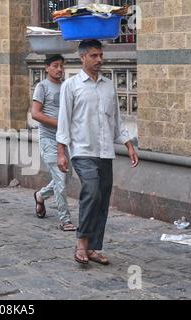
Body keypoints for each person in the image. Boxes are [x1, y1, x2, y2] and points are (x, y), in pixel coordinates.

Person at [56, 40, 139, 265]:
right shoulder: (71, 86)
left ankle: (93, 247)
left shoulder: (108, 85)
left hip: (105, 151)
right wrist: (61, 151)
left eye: (100, 55)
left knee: (101, 199)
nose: (99, 60)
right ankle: (81, 242)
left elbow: (116, 119)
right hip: (82, 150)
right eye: (94, 55)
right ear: (82, 57)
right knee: (91, 192)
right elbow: (64, 120)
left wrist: (128, 143)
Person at [31, 54, 75, 232]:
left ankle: (40, 195)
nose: (59, 69)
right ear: (47, 68)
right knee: (60, 178)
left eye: (61, 66)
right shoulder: (42, 87)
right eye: (55, 66)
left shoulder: (67, 86)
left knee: (63, 178)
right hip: (49, 139)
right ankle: (65, 219)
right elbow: (35, 113)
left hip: (65, 140)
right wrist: (59, 124)